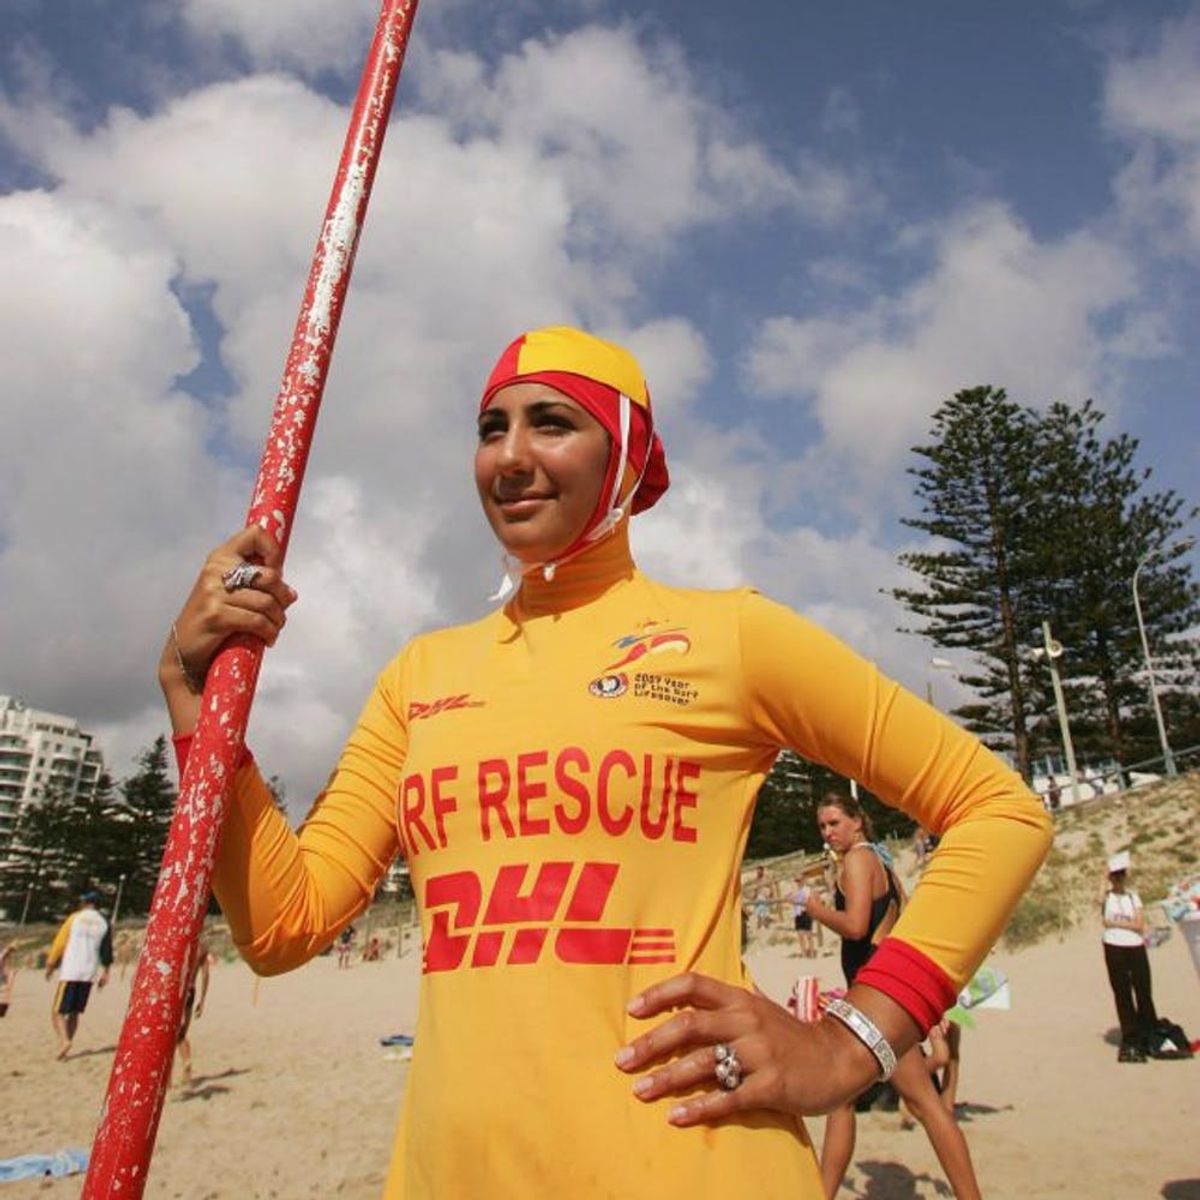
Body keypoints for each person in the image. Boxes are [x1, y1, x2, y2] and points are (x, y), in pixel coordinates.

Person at [161, 326, 1052, 1197]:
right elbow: (284, 925)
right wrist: (198, 708)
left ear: (624, 454)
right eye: (489, 429)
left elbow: (999, 812)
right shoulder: (419, 677)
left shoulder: (728, 637)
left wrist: (849, 1044)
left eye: (552, 422)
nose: (509, 455)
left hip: (691, 1169)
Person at [803, 794, 982, 1198]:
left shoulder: (857, 860)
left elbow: (854, 926)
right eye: (823, 826)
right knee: (858, 1099)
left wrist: (815, 909)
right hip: (885, 992)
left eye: (834, 823)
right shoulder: (880, 862)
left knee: (909, 1102)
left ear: (857, 823)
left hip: (876, 998)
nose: (828, 832)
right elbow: (902, 916)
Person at [1099, 852, 1158, 1062]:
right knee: (1122, 992)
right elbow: (1098, 901)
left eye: (1120, 875)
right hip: (1113, 946)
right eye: (1115, 876)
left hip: (1135, 945)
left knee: (1143, 990)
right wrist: (1104, 874)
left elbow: (1139, 924)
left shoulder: (1133, 897)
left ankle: (1149, 1032)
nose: (1118, 879)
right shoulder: (1108, 897)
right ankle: (1130, 1036)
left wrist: (1115, 923)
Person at [44, 891, 112, 1060]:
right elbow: (107, 950)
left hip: (71, 970)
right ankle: (67, 1045)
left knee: (57, 1012)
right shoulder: (104, 922)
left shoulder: (75, 918)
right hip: (88, 972)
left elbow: (60, 942)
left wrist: (51, 964)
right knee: (74, 1012)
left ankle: (64, 1041)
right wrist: (106, 972)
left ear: (85, 903)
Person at [175, 936, 211, 1086]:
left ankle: (168, 1078)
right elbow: (205, 975)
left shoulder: (180, 942)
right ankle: (187, 1064)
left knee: (173, 1036)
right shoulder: (201, 947)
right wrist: (202, 1001)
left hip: (176, 991)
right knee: (182, 1033)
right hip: (191, 991)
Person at [792, 876, 816, 958]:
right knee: (800, 934)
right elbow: (792, 899)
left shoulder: (807, 889)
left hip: (805, 912)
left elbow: (807, 899)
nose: (798, 882)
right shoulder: (795, 890)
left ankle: (812, 952)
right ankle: (804, 953)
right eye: (797, 881)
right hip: (798, 913)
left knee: (808, 934)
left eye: (799, 880)